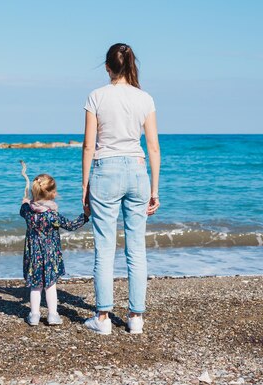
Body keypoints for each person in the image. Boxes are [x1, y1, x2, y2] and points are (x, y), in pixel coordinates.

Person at [82, 43, 160, 335]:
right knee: (136, 248)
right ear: (129, 66)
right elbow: (153, 147)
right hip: (138, 171)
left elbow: (89, 145)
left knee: (104, 248)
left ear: (107, 67)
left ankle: (103, 318)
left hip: (106, 169)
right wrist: (155, 190)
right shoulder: (145, 98)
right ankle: (135, 317)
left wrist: (85, 185)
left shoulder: (96, 96)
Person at [19, 168, 90, 326]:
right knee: (50, 285)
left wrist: (25, 201)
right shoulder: (52, 216)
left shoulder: (28, 212)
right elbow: (71, 226)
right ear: (52, 194)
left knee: (35, 286)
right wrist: (85, 216)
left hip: (33, 254)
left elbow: (22, 209)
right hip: (50, 254)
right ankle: (52, 315)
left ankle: (34, 315)